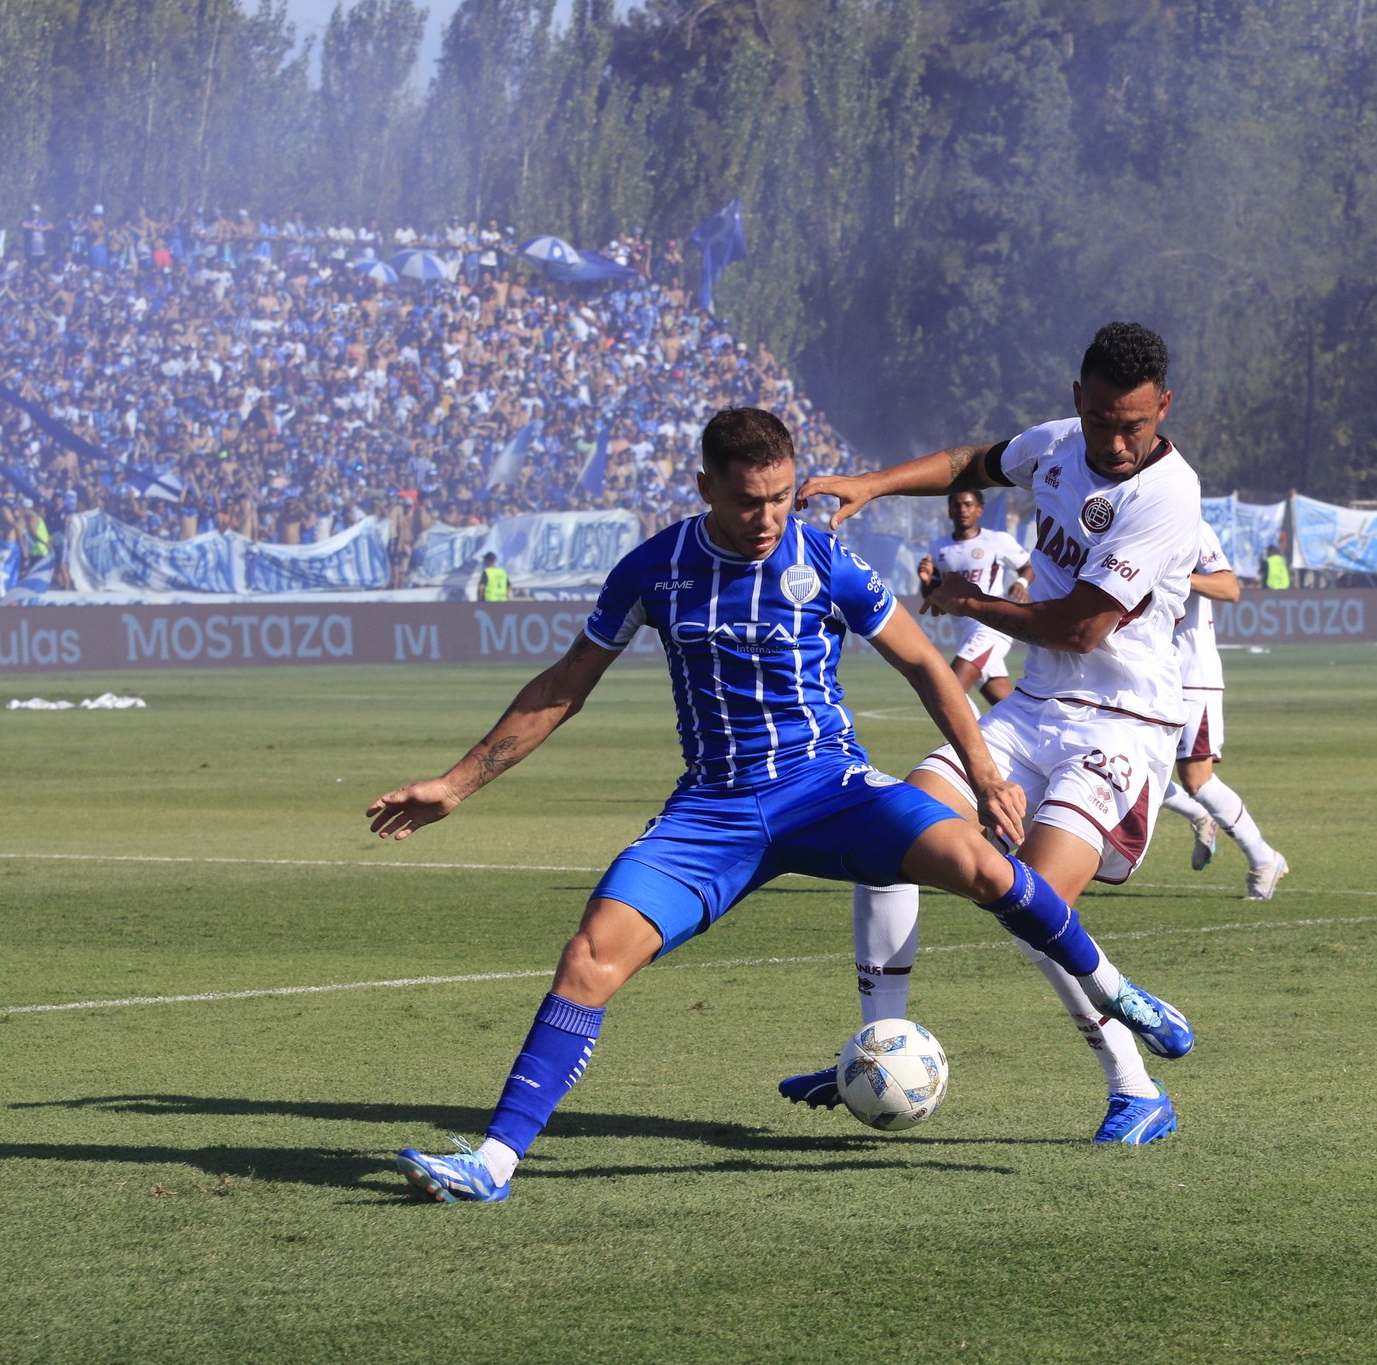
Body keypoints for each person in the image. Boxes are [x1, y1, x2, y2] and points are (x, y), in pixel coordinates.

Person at [371, 408, 1192, 1202]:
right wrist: (455, 783)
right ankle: (493, 1160)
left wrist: (984, 773)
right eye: (746, 501)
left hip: (828, 789)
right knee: (588, 957)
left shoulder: (824, 558)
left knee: (983, 864)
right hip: (712, 812)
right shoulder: (651, 570)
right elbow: (563, 686)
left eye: (779, 495)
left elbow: (925, 665)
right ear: (704, 487)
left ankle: (1117, 991)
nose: (767, 517)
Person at [783, 321, 1204, 1145]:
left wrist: (967, 603)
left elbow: (1082, 629)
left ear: (1164, 407)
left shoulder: (1167, 495)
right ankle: (878, 1050)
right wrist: (871, 482)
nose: (1116, 442)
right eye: (1101, 423)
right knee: (889, 832)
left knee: (1033, 905)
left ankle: (1136, 1086)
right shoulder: (1056, 443)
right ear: (1077, 400)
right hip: (1030, 711)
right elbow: (972, 460)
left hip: (1122, 725)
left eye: (1135, 426)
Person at [1157, 519, 1288, 898]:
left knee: (1196, 780)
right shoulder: (1131, 524)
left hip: (1190, 675)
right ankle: (1198, 815)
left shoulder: (1191, 527)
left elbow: (1229, 589)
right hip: (1148, 674)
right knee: (1134, 766)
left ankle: (1263, 858)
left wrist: (1177, 578)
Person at [919, 489, 1033, 705]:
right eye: (957, 505)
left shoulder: (997, 540)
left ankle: (964, 740)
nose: (962, 509)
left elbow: (1027, 567)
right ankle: (1032, 735)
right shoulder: (939, 547)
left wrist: (1021, 582)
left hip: (992, 627)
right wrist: (926, 582)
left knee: (948, 689)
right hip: (963, 631)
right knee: (1005, 705)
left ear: (979, 510)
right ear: (950, 511)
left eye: (968, 504)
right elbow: (935, 598)